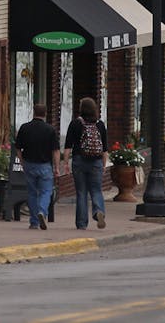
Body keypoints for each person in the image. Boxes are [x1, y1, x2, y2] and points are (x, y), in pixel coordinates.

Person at [62, 96, 108, 230]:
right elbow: (105, 148)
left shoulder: (76, 123)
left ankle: (82, 224)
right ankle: (99, 211)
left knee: (81, 192)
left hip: (79, 160)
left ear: (82, 109)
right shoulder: (100, 124)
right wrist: (104, 164)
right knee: (96, 190)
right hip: (96, 162)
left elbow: (68, 146)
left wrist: (65, 163)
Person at [15, 103, 60, 230]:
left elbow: (18, 148)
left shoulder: (25, 128)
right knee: (46, 191)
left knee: (32, 193)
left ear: (33, 112)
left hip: (29, 164)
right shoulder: (50, 130)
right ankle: (42, 211)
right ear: (45, 114)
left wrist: (22, 161)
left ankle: (34, 221)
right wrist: (56, 167)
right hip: (45, 165)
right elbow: (55, 151)